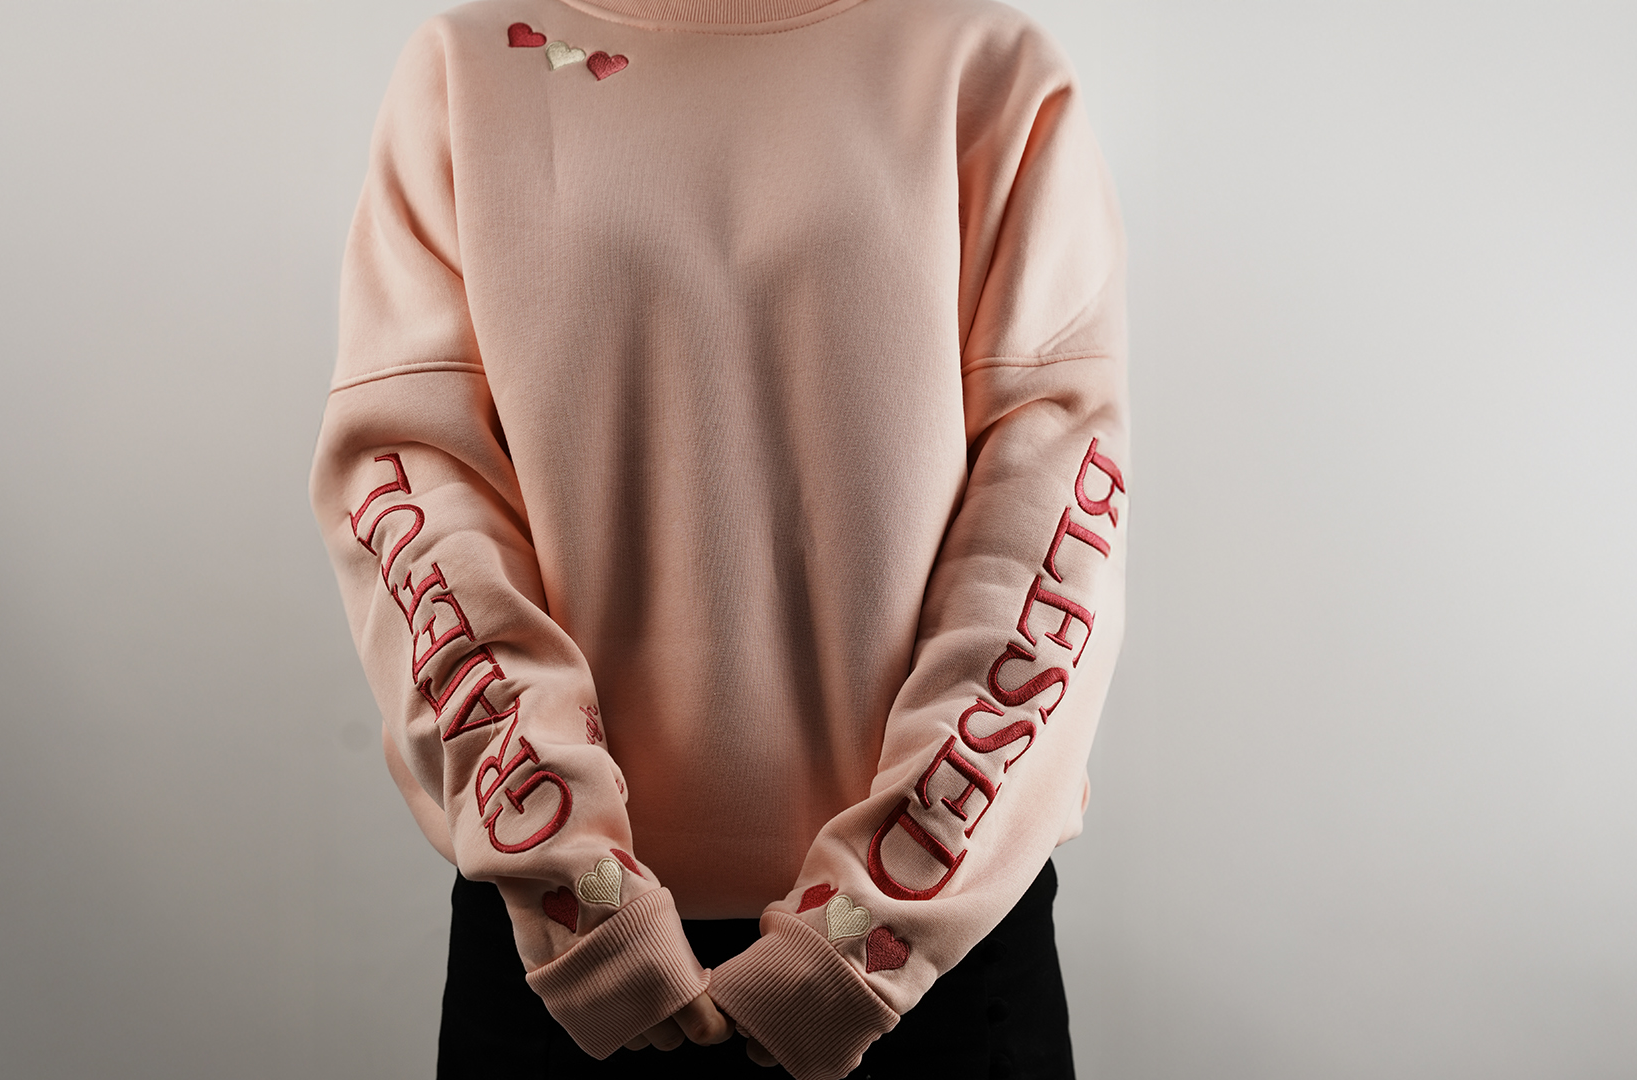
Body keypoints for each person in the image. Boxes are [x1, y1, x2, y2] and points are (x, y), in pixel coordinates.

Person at [308, 0, 1129, 1076]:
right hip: (570, 958)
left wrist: (875, 919)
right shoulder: (469, 67)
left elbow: (1055, 516)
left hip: (935, 961)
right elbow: (412, 486)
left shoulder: (986, 66)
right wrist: (575, 880)